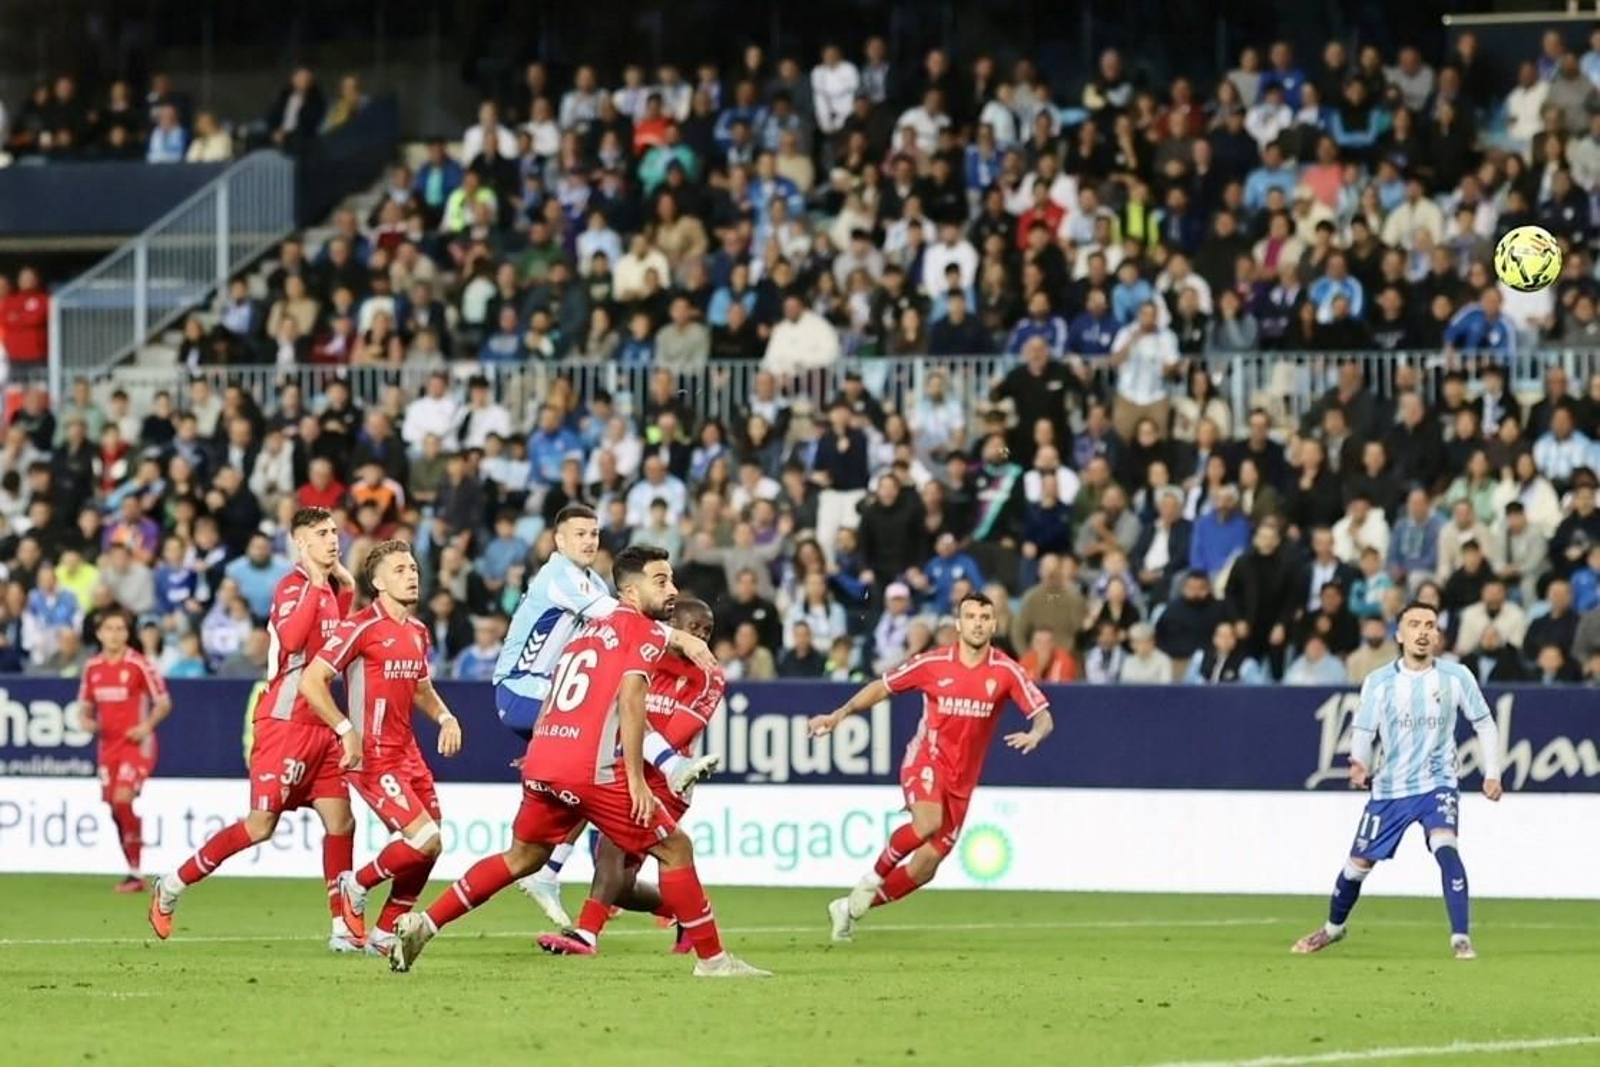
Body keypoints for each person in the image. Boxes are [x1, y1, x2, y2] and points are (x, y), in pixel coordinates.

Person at [389, 546, 769, 978]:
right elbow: (631, 700)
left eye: (671, 580)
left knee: (522, 858)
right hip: (591, 771)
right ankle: (714, 961)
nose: (672, 590)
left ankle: (425, 923)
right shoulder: (641, 632)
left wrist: (542, 748)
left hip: (546, 759)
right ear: (629, 590)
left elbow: (557, 695)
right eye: (661, 581)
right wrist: (635, 781)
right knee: (675, 846)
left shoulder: (586, 633)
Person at [490, 504, 719, 925]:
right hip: (521, 686)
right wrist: (682, 640)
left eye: (594, 533)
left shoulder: (592, 580)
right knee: (617, 702)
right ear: (558, 541)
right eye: (579, 533)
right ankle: (671, 765)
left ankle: (551, 870)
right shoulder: (558, 576)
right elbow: (618, 619)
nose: (589, 541)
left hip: (554, 695)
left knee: (590, 770)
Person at [149, 508, 361, 949]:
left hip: (322, 721)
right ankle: (172, 884)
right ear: (301, 543)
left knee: (341, 821)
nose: (332, 540)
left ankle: (342, 927)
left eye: (334, 532)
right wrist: (321, 582)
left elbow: (336, 645)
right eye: (321, 534)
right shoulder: (291, 587)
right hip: (285, 723)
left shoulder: (331, 589)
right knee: (260, 825)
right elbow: (296, 637)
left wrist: (348, 585)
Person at [812, 592, 1054, 941]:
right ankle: (872, 877)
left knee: (925, 868)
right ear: (959, 624)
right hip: (925, 759)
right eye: (970, 617)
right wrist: (839, 714)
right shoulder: (932, 663)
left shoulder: (1006, 671)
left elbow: (1043, 716)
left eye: (984, 617)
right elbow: (882, 687)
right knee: (927, 823)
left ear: (994, 624)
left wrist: (1036, 733)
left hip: (962, 781)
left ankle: (847, 908)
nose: (978, 623)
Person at [1291, 601, 1502, 961]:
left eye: (1430, 625)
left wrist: (1492, 773)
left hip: (1438, 782)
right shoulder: (1379, 681)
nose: (1423, 632)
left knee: (1446, 847)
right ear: (1399, 635)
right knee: (1356, 867)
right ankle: (1332, 929)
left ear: (1438, 635)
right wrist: (1359, 764)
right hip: (1390, 789)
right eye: (1415, 624)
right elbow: (1363, 730)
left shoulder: (1457, 676)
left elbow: (1484, 723)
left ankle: (1461, 938)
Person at [297, 540, 463, 958]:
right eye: (401, 569)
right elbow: (311, 681)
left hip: (408, 753)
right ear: (377, 581)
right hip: (372, 755)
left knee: (432, 845)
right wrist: (344, 728)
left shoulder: (419, 632)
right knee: (423, 838)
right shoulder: (359, 627)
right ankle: (356, 884)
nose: (412, 575)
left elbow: (422, 689)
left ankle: (385, 931)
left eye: (413, 568)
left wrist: (446, 717)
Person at [537, 596, 722, 956]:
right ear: (671, 630)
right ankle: (686, 913)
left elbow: (678, 733)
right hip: (629, 767)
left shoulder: (711, 675)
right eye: (693, 628)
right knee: (620, 885)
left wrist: (629, 739)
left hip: (668, 781)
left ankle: (586, 935)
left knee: (611, 848)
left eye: (707, 630)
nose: (701, 636)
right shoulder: (642, 658)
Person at [78, 610, 171, 892]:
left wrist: (146, 727)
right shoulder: (92, 667)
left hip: (136, 745)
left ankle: (134, 872)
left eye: (120, 629)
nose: (115, 634)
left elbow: (164, 702)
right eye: (109, 628)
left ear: (127, 634)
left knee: (121, 799)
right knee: (115, 808)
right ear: (99, 633)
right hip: (108, 748)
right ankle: (133, 867)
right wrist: (86, 720)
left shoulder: (138, 664)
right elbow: (84, 705)